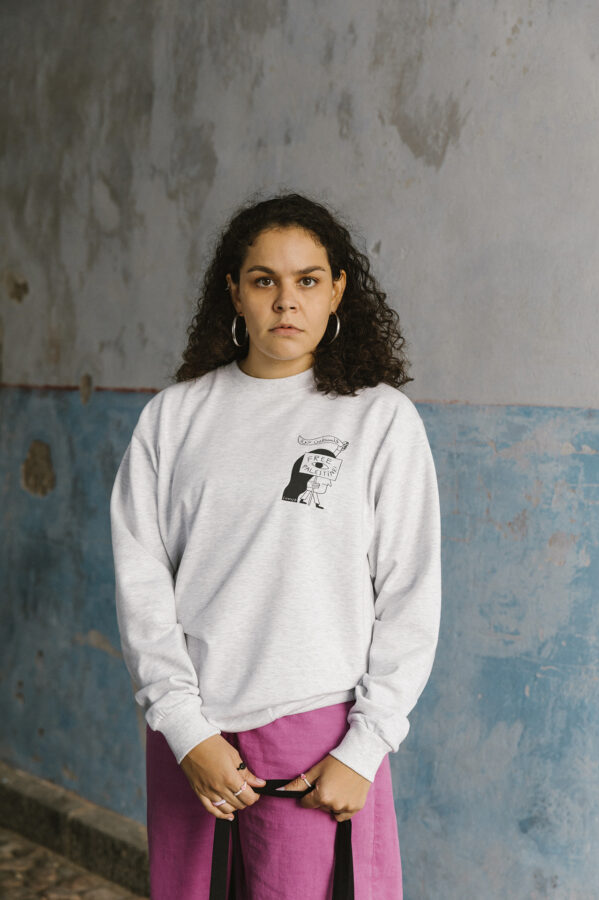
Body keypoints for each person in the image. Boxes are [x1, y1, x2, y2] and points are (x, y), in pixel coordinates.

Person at [109, 191, 442, 899]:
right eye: (264, 280)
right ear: (234, 290)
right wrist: (184, 729)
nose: (286, 302)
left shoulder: (380, 420)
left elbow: (410, 594)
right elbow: (142, 585)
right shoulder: (174, 419)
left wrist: (365, 747)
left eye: (307, 280)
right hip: (193, 739)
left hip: (319, 739)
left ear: (337, 289)